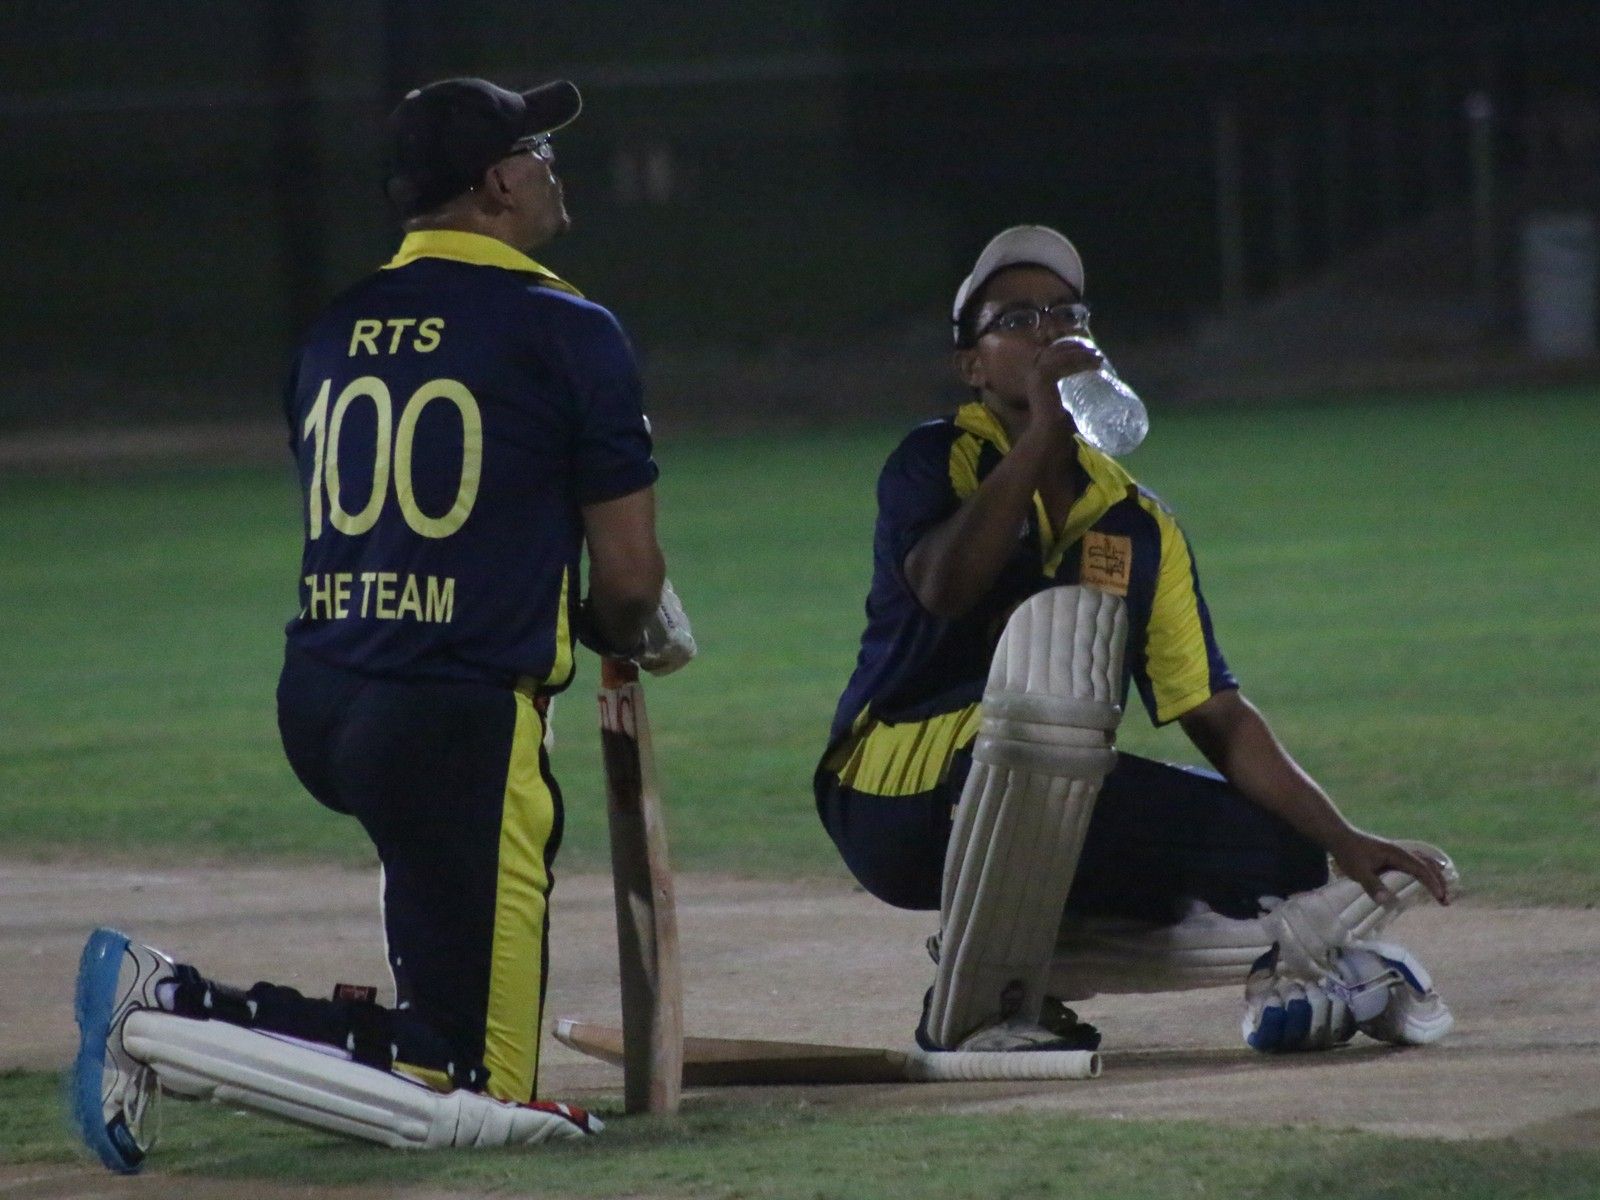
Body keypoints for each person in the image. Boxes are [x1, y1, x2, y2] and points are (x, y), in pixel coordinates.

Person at [72, 76, 695, 1173]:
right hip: (453, 717)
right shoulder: (568, 327)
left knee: (442, 1024)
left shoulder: (332, 326)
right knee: (478, 1088)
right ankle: (169, 1005)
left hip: (326, 691)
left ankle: (186, 1010)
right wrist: (620, 623)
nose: (553, 169)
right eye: (539, 152)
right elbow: (632, 584)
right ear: (497, 183)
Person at [814, 225, 1455, 1057]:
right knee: (1038, 734)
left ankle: (1093, 967)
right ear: (973, 366)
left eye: (1065, 313)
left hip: (1054, 787)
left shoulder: (1140, 523)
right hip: (895, 796)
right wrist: (1041, 436)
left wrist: (1340, 837)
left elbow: (1214, 711)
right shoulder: (935, 460)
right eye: (1016, 320)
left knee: (1281, 852)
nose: (1048, 331)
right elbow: (946, 586)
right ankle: (975, 1013)